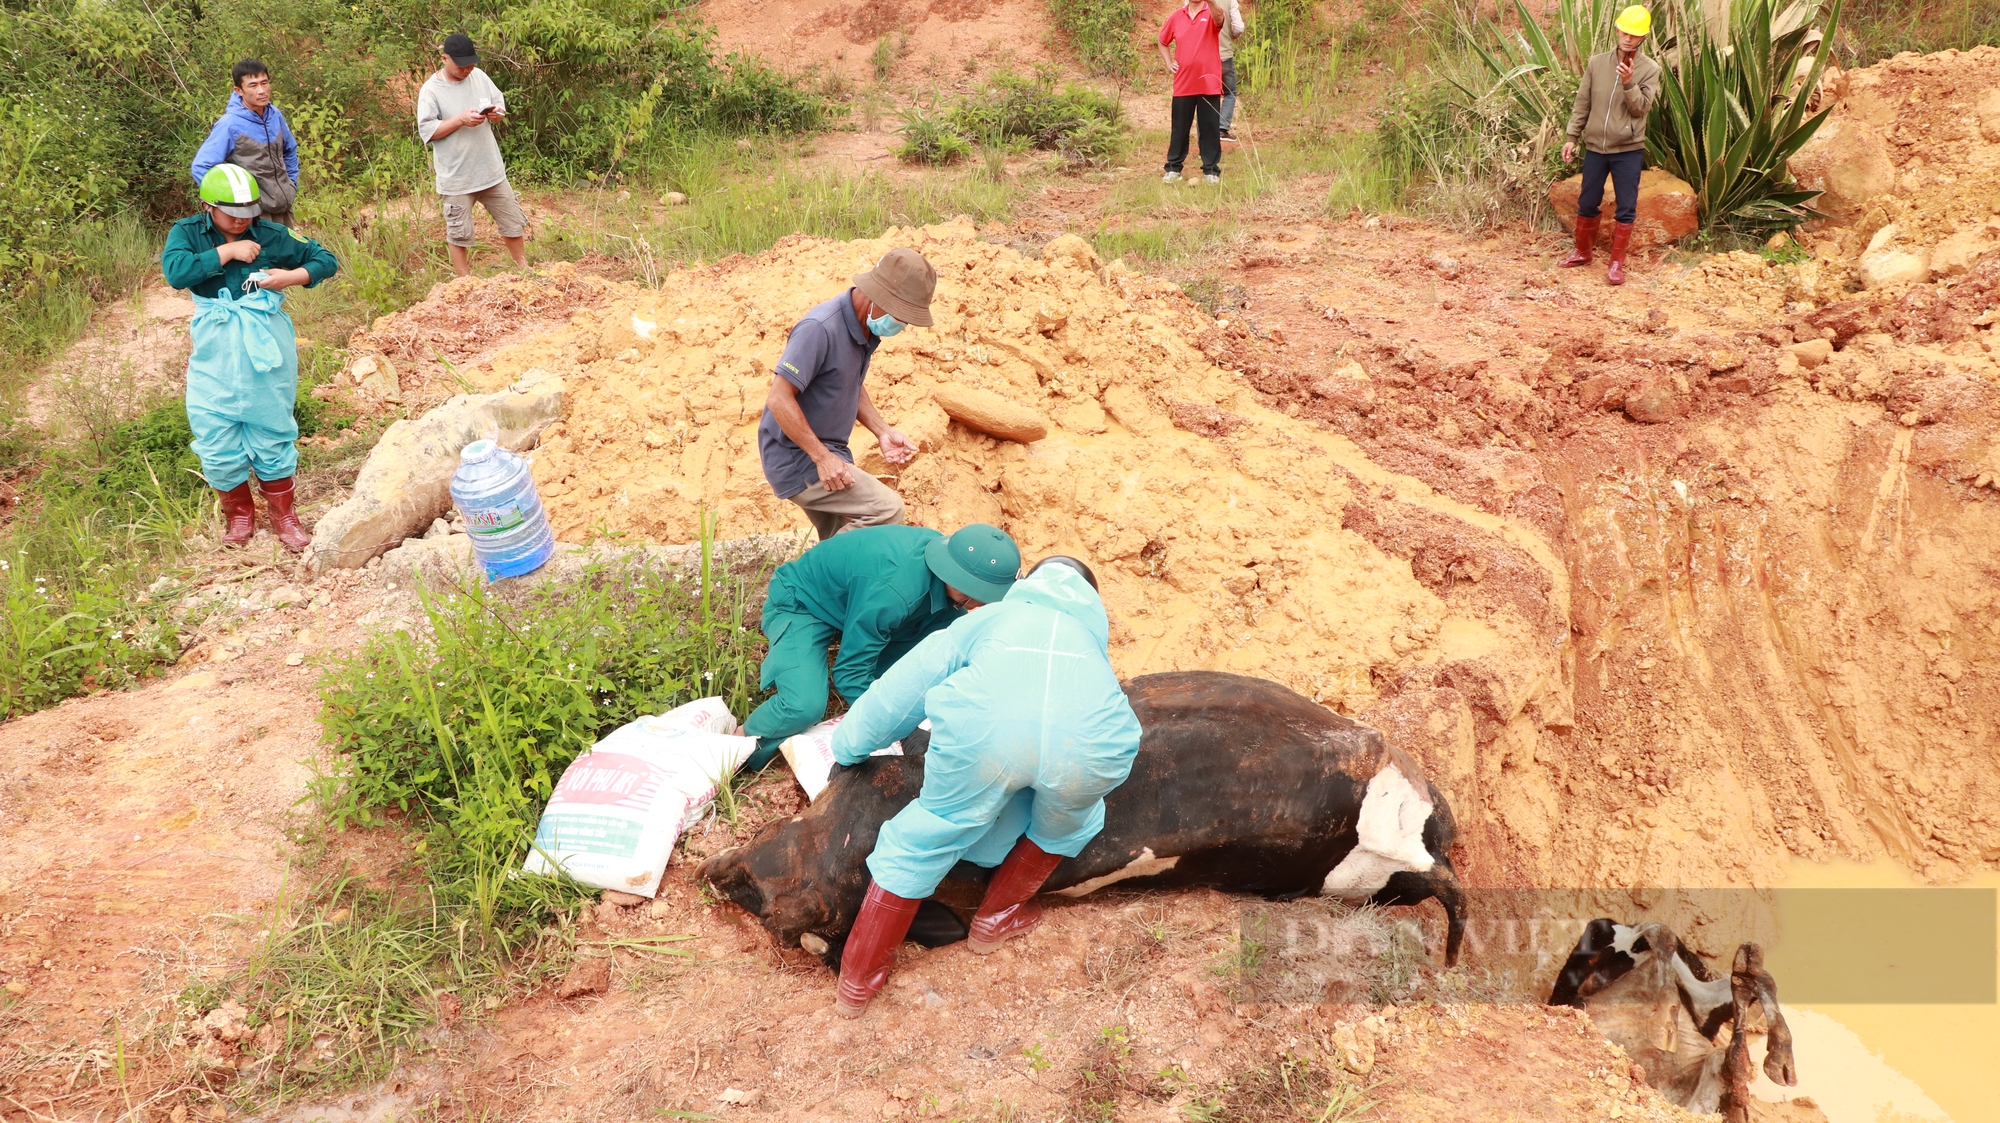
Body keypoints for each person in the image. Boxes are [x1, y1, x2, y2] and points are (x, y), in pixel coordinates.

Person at [824, 556, 1142, 1017]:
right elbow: (1056, 723)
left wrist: (849, 745)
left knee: (927, 835)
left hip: (988, 738)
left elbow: (901, 694)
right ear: (1091, 598)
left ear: (1027, 582)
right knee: (1070, 820)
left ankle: (857, 986)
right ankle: (995, 920)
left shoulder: (991, 618)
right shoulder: (1090, 640)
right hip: (1093, 748)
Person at [742, 523, 1022, 771]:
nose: (986, 604)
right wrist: (901, 729)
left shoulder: (950, 564)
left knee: (950, 649)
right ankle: (738, 746)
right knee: (803, 705)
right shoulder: (895, 593)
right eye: (984, 597)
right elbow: (850, 673)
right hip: (804, 602)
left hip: (865, 601)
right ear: (964, 583)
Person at [161, 166, 340, 551]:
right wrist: (226, 252)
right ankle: (240, 516)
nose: (243, 221)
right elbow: (175, 273)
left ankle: (284, 516)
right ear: (208, 206)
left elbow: (325, 259)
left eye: (249, 213)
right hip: (215, 344)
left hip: (265, 341)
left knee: (272, 424)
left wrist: (289, 278)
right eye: (233, 214)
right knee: (213, 430)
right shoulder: (187, 232)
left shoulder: (271, 233)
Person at [758, 249, 932, 539]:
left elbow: (848, 380)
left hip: (828, 451)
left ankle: (826, 580)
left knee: (840, 533)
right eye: (900, 315)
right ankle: (809, 577)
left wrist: (882, 431)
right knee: (886, 509)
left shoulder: (865, 329)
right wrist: (823, 458)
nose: (901, 326)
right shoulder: (820, 328)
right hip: (796, 456)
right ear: (877, 297)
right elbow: (778, 399)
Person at [1560, 6, 1661, 286]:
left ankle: (1616, 264)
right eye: (1625, 32)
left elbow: (1641, 109)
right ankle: (1582, 252)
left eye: (1635, 35)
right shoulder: (1597, 63)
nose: (1628, 39)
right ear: (1617, 30)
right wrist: (1572, 137)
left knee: (1626, 207)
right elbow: (1583, 102)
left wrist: (1629, 83)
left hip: (1627, 149)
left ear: (1643, 38)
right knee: (1587, 201)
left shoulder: (1650, 69)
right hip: (1595, 147)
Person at [417, 34, 528, 277]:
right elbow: (427, 132)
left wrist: (497, 114)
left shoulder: (479, 76)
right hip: (457, 178)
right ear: (444, 58)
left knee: (512, 221)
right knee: (459, 232)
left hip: (491, 170)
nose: (468, 69)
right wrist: (460, 120)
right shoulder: (431, 90)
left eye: (471, 63)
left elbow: (498, 103)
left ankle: (524, 269)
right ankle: (464, 283)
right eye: (462, 65)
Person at [190, 59, 301, 228]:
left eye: (264, 83)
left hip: (284, 209)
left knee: (291, 253)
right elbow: (201, 167)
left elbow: (290, 150)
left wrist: (291, 184)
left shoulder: (275, 115)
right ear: (239, 90)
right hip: (254, 215)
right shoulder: (230, 124)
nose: (261, 90)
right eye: (253, 85)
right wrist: (228, 205)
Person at [1158, 0, 1226, 184]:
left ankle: (1211, 170)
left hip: (1209, 82)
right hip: (1183, 83)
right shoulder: (1176, 16)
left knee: (1209, 128)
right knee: (1179, 128)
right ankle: (1173, 168)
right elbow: (1162, 41)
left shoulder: (1211, 12)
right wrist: (1168, 62)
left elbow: (1219, 19)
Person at [1216, 0, 1247, 142]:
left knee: (1208, 94)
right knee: (1230, 92)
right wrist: (1231, 35)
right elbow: (1239, 27)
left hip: (1202, 56)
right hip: (1224, 54)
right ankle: (1222, 128)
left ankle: (1207, 129)